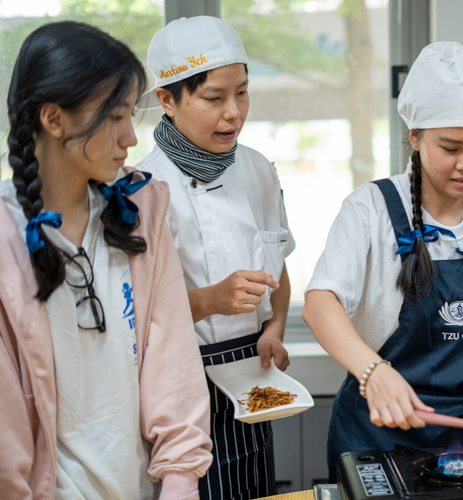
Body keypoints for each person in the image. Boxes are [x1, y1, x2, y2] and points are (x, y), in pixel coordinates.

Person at [302, 41, 463, 481]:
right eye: (451, 147)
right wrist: (373, 371)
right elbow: (319, 303)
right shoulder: (370, 208)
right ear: (415, 136)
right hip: (377, 430)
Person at [0, 21, 212, 499]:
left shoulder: (141, 210)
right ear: (54, 120)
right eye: (115, 117)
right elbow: (6, 436)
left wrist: (180, 484)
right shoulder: (6, 240)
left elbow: (172, 366)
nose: (131, 139)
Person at [136, 16, 295, 499]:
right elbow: (138, 319)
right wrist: (210, 300)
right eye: (213, 98)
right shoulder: (143, 189)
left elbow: (279, 262)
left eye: (242, 93)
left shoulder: (257, 168)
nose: (234, 113)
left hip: (253, 377)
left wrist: (275, 328)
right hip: (180, 380)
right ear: (167, 98)